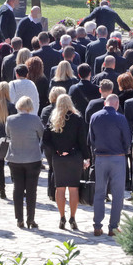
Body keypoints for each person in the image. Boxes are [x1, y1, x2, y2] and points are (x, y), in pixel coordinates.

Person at [42, 94, 89, 230]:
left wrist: (55, 151)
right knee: (74, 188)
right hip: (74, 156)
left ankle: (62, 217)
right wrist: (86, 157)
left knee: (60, 188)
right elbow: (82, 141)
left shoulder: (53, 119)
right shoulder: (77, 119)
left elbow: (45, 140)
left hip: (58, 157)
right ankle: (72, 217)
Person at [89, 94, 130, 236]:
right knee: (118, 194)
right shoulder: (120, 117)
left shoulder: (94, 117)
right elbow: (127, 139)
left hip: (100, 157)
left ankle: (97, 226)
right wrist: (125, 151)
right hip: (117, 158)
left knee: (99, 192)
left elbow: (91, 139)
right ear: (117, 104)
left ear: (105, 102)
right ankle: (113, 227)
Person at [5, 96, 45, 229]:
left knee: (18, 188)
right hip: (32, 158)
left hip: (15, 158)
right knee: (31, 190)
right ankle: (30, 219)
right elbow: (41, 134)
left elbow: (8, 135)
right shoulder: (35, 119)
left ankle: (19, 219)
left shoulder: (10, 119)